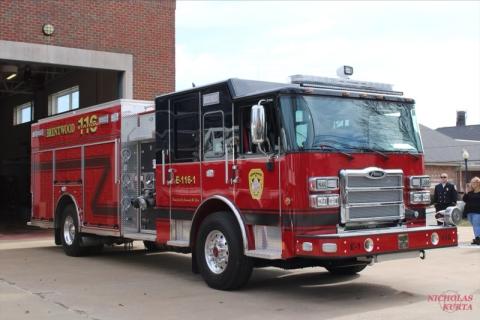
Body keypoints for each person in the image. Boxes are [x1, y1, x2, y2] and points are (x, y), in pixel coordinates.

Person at [463, 176, 480, 245]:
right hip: (469, 212)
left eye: (472, 182)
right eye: (471, 182)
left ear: (478, 183)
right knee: (475, 225)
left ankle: (478, 238)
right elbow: (465, 199)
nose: (471, 184)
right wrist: (466, 192)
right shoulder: (470, 192)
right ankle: (477, 238)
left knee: (476, 225)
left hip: (478, 212)